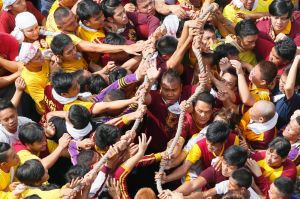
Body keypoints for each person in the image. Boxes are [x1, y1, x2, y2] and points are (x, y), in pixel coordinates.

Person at [157, 121, 239, 184]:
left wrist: (225, 159)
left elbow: (238, 161)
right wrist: (166, 179)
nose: (209, 146)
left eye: (213, 144)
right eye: (208, 142)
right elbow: (184, 168)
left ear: (224, 142)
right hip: (206, 179)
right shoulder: (198, 146)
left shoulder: (234, 140)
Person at [175, 145, 248, 195]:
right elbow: (193, 184)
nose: (225, 169)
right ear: (222, 158)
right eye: (225, 163)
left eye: (231, 168)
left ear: (239, 168)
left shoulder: (244, 178)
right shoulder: (215, 170)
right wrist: (173, 193)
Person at [274, 54, 300, 129]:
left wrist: (296, 60)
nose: (281, 85)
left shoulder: (296, 99)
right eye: (281, 80)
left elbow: (288, 88)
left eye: (285, 83)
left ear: (297, 87)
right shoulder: (276, 87)